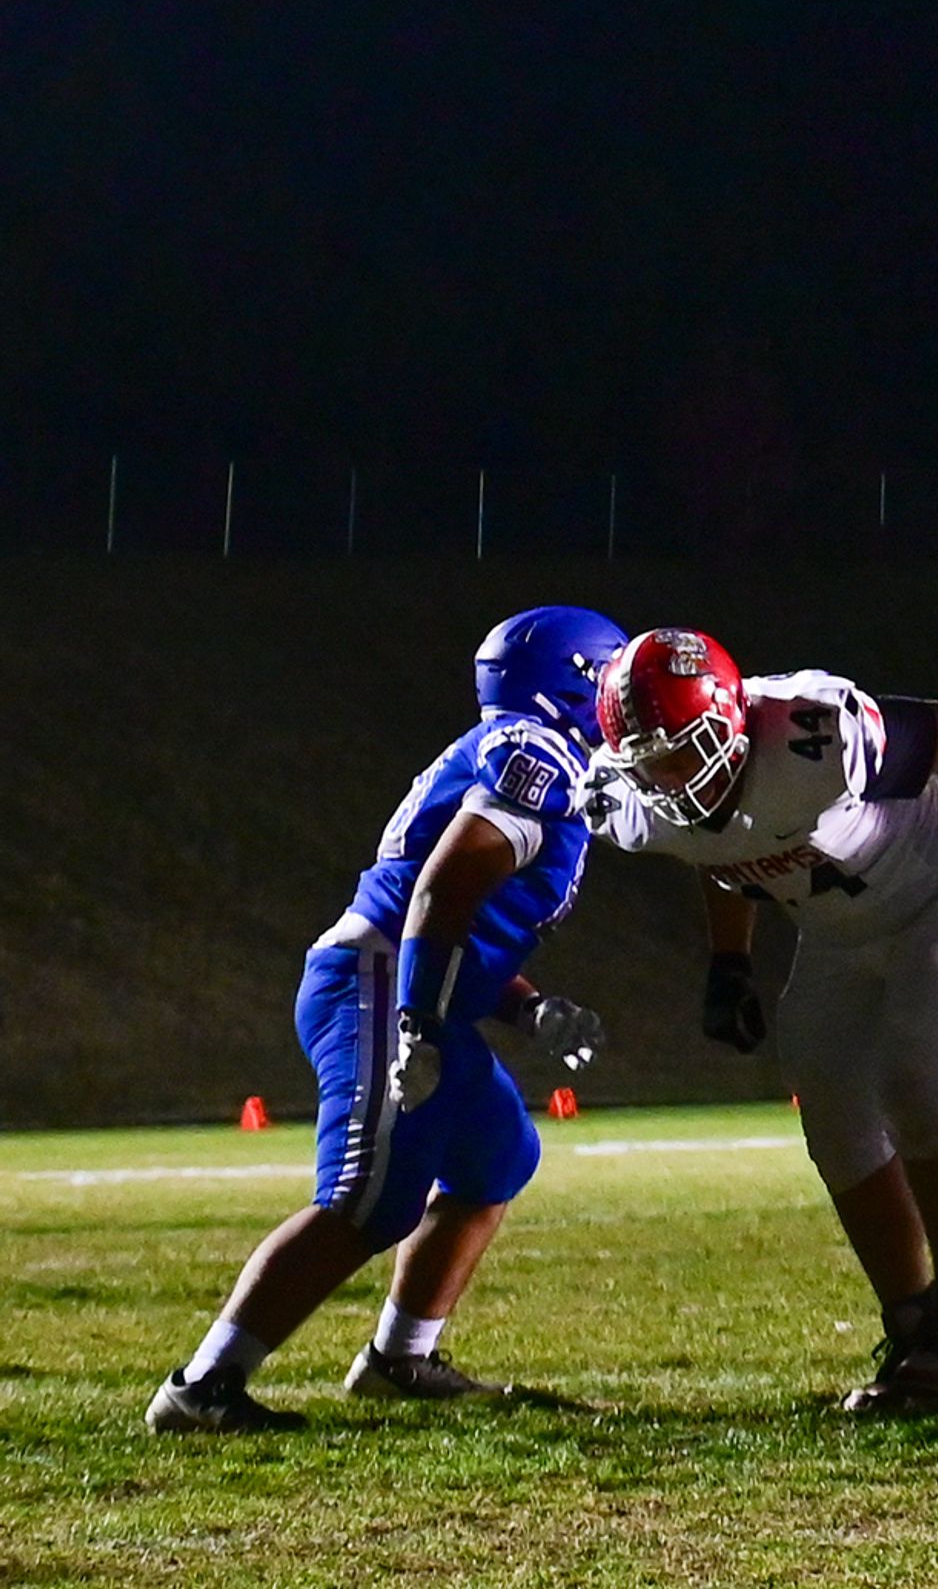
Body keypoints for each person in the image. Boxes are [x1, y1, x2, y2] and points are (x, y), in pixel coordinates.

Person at [585, 626, 938, 1412]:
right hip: (838, 936)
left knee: (916, 1086)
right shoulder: (637, 796)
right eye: (649, 761)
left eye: (683, 750)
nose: (669, 776)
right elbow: (716, 851)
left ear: (729, 719)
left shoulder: (815, 734)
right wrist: (729, 963)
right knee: (832, 1116)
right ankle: (914, 1322)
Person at [147, 610, 620, 1433]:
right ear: (574, 681)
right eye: (612, 681)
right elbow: (438, 892)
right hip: (376, 983)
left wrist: (527, 1005)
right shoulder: (534, 756)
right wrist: (420, 1026)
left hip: (405, 980)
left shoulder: (533, 755)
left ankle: (399, 1360)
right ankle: (200, 1387)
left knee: (496, 1158)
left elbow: (462, 921)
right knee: (368, 1198)